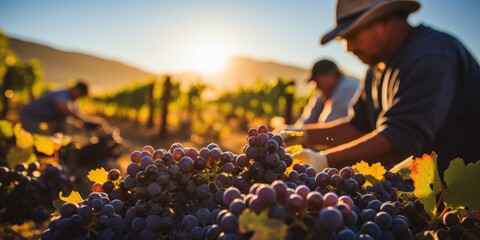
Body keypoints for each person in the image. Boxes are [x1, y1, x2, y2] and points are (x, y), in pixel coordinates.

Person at [285, 0, 480, 173]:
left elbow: (400, 140)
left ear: (385, 22)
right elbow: (357, 126)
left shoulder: (431, 56)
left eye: (352, 35)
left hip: (463, 201)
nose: (348, 48)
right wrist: (300, 134)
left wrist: (324, 160)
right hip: (426, 191)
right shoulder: (376, 68)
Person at [294, 59, 360, 127]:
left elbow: (329, 126)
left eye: (317, 81)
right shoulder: (326, 92)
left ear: (330, 75)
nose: (316, 86)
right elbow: (307, 119)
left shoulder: (347, 89)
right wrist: (292, 131)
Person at [19, 80, 98, 135]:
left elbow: (77, 113)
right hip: (30, 116)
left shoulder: (72, 101)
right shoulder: (63, 94)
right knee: (34, 139)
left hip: (40, 119)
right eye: (80, 94)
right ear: (75, 89)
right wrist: (83, 121)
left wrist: (88, 121)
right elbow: (63, 108)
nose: (79, 97)